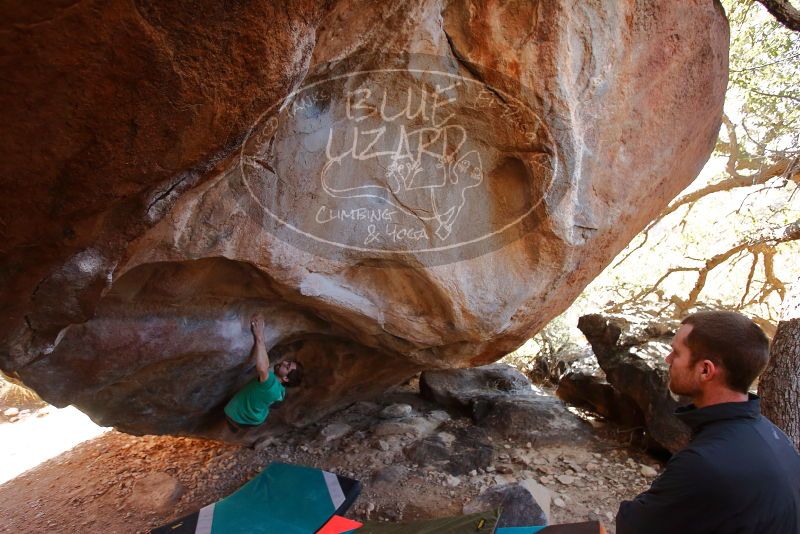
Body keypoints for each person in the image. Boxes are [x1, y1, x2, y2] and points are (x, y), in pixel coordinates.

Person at [616, 310, 800, 533]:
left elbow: (632, 525)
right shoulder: (775, 436)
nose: (668, 360)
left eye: (676, 353)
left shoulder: (703, 463)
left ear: (705, 370)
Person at [223, 313, 304, 433]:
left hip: (236, 416)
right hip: (256, 420)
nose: (284, 362)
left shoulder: (271, 383)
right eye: (288, 362)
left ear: (286, 379)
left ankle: (235, 424)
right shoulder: (280, 391)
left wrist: (259, 336)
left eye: (287, 367)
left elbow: (262, 368)